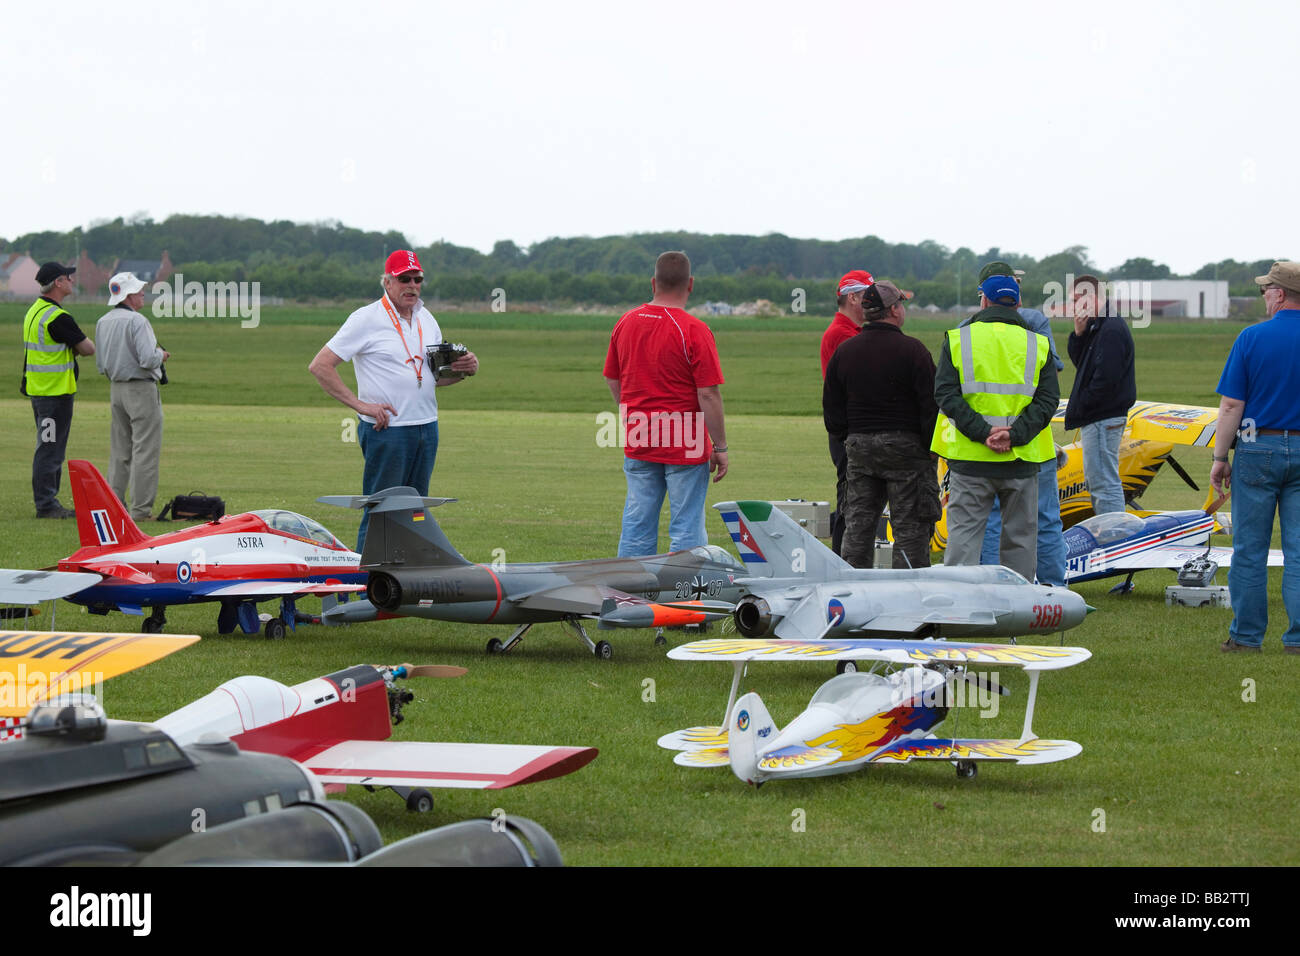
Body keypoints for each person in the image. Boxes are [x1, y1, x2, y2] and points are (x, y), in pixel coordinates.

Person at [309, 250, 478, 550]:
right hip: (387, 431)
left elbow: (432, 378)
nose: (412, 285)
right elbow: (321, 366)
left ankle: (406, 584)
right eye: (404, 279)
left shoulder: (427, 318)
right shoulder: (365, 318)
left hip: (426, 427)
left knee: (415, 512)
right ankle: (365, 585)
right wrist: (362, 406)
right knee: (381, 512)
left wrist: (465, 371)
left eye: (418, 279)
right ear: (387, 282)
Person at [931, 261, 1059, 581]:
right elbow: (1048, 401)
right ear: (1017, 303)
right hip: (1022, 458)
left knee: (963, 546)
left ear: (983, 301)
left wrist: (982, 432)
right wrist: (1014, 436)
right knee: (1020, 544)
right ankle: (1015, 621)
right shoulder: (1037, 343)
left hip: (970, 460)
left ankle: (961, 613)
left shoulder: (959, 338)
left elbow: (946, 394)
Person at [604, 251, 727, 557]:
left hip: (639, 435)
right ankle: (684, 595)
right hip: (685, 442)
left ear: (653, 281)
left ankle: (629, 590)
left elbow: (612, 378)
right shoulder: (695, 329)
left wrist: (630, 416)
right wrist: (721, 447)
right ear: (691, 284)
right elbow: (708, 394)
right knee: (686, 525)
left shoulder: (625, 322)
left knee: (637, 520)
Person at [1211, 260, 1300, 654]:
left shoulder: (1250, 337)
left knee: (1250, 548)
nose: (1264, 296)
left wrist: (1219, 457)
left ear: (1279, 294)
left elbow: (1231, 405)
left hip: (1256, 447)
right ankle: (1297, 639)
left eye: (1266, 290)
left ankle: (1246, 637)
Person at [823, 280, 939, 569]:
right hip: (907, 451)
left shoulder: (845, 351)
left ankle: (851, 596)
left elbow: (832, 412)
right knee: (910, 530)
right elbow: (931, 407)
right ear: (894, 310)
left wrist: (851, 438)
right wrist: (930, 448)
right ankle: (911, 600)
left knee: (857, 528)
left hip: (859, 449)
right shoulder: (914, 351)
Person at [979, 269, 1068, 584]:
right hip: (1033, 439)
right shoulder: (1035, 321)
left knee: (990, 520)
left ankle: (992, 588)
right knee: (1044, 519)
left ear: (984, 295)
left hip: (983, 439)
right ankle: (1054, 588)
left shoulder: (967, 328)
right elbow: (1051, 378)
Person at [22, 261, 95, 518]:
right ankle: (46, 505)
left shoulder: (34, 311)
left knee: (49, 446)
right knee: (50, 448)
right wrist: (74, 347)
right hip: (54, 394)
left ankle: (47, 500)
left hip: (39, 391)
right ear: (58, 283)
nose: (72, 281)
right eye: (68, 277)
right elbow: (88, 348)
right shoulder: (58, 317)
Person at [94, 272, 169, 521]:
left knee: (120, 451)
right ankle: (140, 511)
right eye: (138, 291)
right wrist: (162, 355)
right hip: (141, 389)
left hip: (116, 389)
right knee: (145, 450)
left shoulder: (103, 321)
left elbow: (101, 363)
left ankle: (113, 508)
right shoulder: (138, 321)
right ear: (128, 295)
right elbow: (148, 358)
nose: (142, 294)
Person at [1064, 273, 1136, 516]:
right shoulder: (1098, 326)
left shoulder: (1111, 329)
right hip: (1099, 417)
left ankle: (1114, 538)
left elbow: (1106, 379)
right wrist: (1079, 334)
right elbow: (1083, 365)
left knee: (1103, 483)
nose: (1072, 306)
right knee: (1100, 481)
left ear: (1091, 298)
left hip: (1102, 418)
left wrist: (1083, 406)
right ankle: (1112, 534)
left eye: (1076, 300)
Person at [819, 269, 874, 554]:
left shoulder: (850, 332)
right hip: (849, 430)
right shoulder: (842, 334)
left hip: (848, 428)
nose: (873, 301)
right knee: (852, 501)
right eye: (868, 295)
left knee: (855, 499)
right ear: (853, 297)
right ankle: (842, 559)